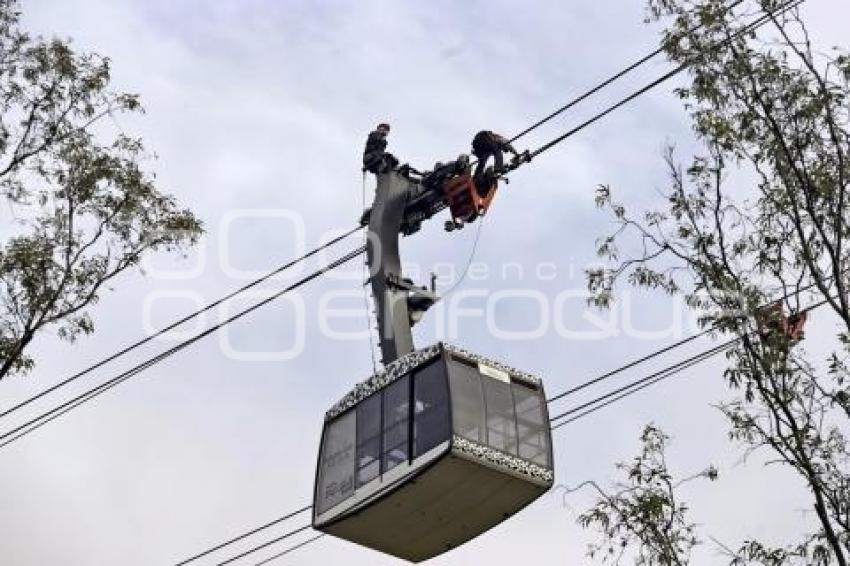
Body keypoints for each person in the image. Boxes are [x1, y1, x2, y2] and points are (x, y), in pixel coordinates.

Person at [471, 130, 518, 195]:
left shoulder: (490, 145)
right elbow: (508, 145)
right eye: (505, 150)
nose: (504, 150)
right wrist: (516, 154)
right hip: (484, 137)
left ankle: (477, 177)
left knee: (482, 161)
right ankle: (499, 168)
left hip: (477, 144)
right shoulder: (499, 138)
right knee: (497, 150)